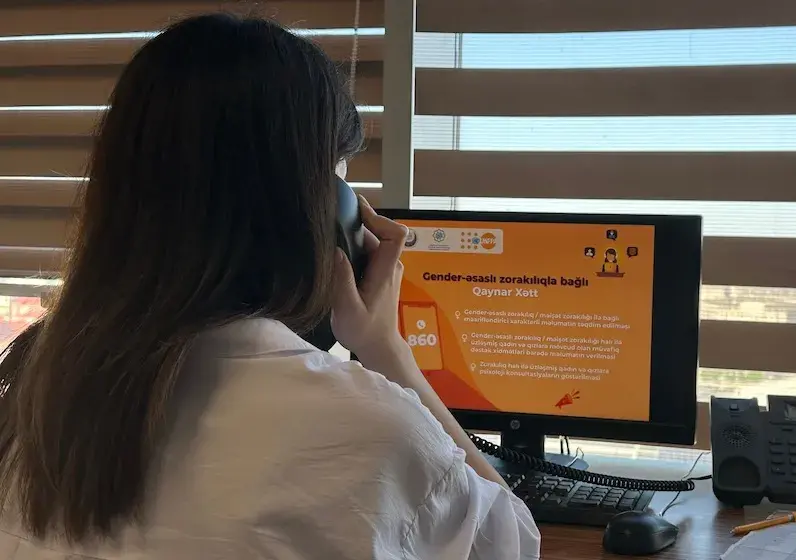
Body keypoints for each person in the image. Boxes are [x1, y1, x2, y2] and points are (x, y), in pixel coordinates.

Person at [0, 14, 539, 560]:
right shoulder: (367, 431)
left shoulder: (30, 396)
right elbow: (513, 544)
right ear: (326, 215)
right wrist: (387, 350)